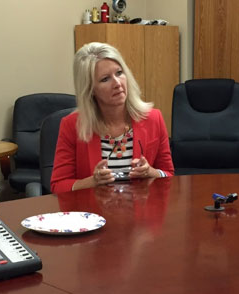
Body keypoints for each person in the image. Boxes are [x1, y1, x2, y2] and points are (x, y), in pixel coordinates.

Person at [50, 42, 174, 193]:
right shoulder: (72, 126)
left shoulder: (154, 119)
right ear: (90, 89)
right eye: (105, 79)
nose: (117, 83)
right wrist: (92, 182)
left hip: (141, 213)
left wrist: (151, 173)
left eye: (119, 73)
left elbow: (169, 176)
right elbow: (58, 186)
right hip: (94, 213)